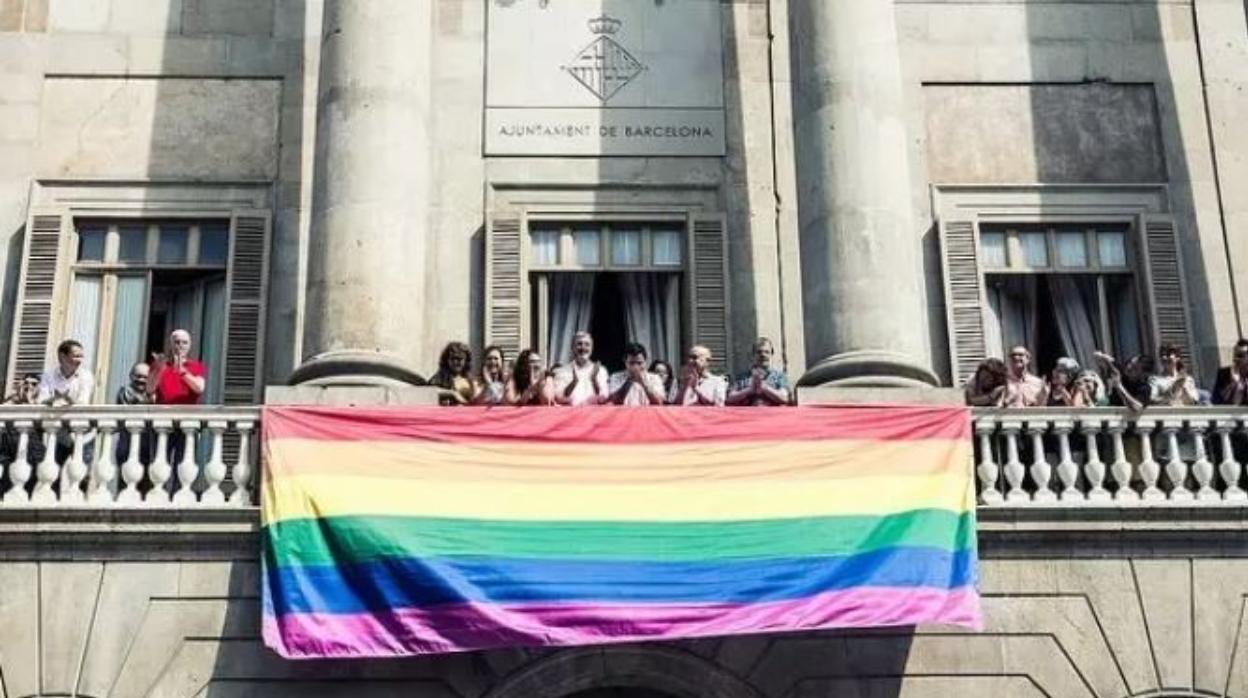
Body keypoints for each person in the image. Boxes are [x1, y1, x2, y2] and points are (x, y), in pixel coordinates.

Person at [727, 337, 790, 406]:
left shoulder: (779, 376)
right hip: (747, 415)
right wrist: (750, 390)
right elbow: (730, 398)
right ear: (753, 355)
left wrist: (765, 388)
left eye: (766, 352)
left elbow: (784, 398)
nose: (763, 355)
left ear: (771, 354)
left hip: (772, 416)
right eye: (759, 352)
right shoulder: (742, 377)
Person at [149, 329, 206, 405]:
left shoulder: (196, 366)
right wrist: (159, 369)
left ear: (189, 346)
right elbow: (149, 389)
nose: (180, 345)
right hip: (163, 412)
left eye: (185, 343)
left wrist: (183, 372)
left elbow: (199, 388)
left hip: (186, 413)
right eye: (177, 342)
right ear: (171, 345)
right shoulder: (159, 365)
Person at [553, 332, 608, 406]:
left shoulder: (601, 371)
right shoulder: (561, 371)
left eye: (587, 344)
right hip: (570, 414)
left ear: (591, 348)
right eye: (579, 344)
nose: (583, 348)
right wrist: (573, 383)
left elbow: (603, 398)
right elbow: (559, 398)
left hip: (593, 414)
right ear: (572, 347)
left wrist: (594, 380)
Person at [38, 339, 94, 407]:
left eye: (81, 356)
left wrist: (69, 400)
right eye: (76, 356)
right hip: (51, 416)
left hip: (76, 417)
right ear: (62, 357)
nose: (80, 361)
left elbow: (83, 403)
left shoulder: (86, 376)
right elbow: (41, 400)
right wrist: (54, 399)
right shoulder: (48, 375)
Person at [1212, 338, 1248, 406]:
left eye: (1240, 356)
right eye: (1234, 355)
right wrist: (1233, 384)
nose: (1235, 359)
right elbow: (1216, 401)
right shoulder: (1224, 373)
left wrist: (1240, 386)